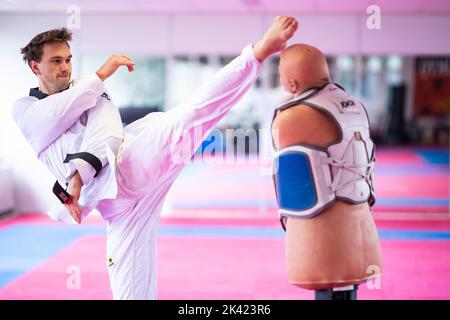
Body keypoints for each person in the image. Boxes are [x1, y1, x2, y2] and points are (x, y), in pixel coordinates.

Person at [12, 16, 298, 299]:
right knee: (132, 293)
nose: (65, 67)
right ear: (35, 66)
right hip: (117, 209)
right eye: (56, 61)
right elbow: (54, 116)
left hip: (132, 164)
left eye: (68, 59)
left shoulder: (91, 90)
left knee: (193, 115)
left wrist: (77, 178)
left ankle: (258, 52)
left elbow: (106, 132)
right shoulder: (25, 109)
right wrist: (98, 77)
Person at [271, 44, 382, 300]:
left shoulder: (291, 117)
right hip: (361, 229)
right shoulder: (355, 106)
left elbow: (290, 178)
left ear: (290, 82)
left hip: (320, 236)